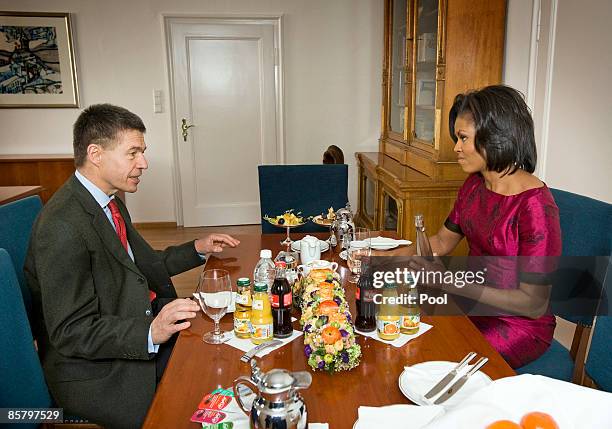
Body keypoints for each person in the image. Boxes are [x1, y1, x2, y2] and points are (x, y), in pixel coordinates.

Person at [24, 104, 240, 429]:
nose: (144, 163)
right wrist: (150, 331)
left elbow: (142, 265)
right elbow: (71, 332)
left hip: (129, 322)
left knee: (223, 343)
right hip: (97, 372)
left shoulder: (108, 201)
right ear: (95, 154)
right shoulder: (62, 226)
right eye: (133, 153)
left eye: (143, 152)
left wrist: (197, 248)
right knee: (203, 379)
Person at [416, 85, 561, 368]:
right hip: (471, 306)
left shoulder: (535, 206)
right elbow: (442, 242)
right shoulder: (474, 185)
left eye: (463, 138)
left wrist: (453, 285)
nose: (456, 147)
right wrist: (381, 259)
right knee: (405, 327)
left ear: (495, 137)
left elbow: (533, 304)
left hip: (518, 325)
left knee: (434, 355)